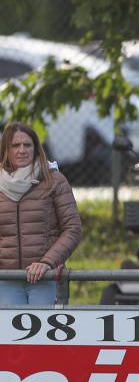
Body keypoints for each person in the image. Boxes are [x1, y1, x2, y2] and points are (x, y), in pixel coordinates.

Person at [0, 122, 81, 305]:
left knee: (43, 333)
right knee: (7, 334)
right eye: (15, 145)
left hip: (45, 278)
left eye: (27, 145)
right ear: (6, 149)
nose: (22, 150)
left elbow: (72, 229)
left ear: (36, 148)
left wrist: (47, 263)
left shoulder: (54, 180)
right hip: (6, 279)